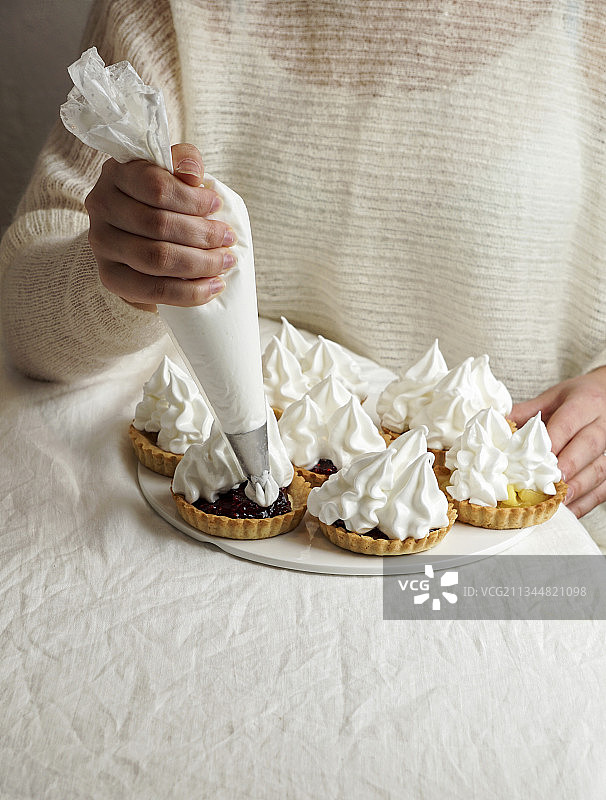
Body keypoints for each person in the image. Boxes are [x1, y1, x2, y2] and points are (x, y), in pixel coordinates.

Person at [1, 0, 605, 542]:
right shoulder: (169, 12)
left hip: (524, 552)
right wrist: (120, 276)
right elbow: (21, 325)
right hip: (198, 549)